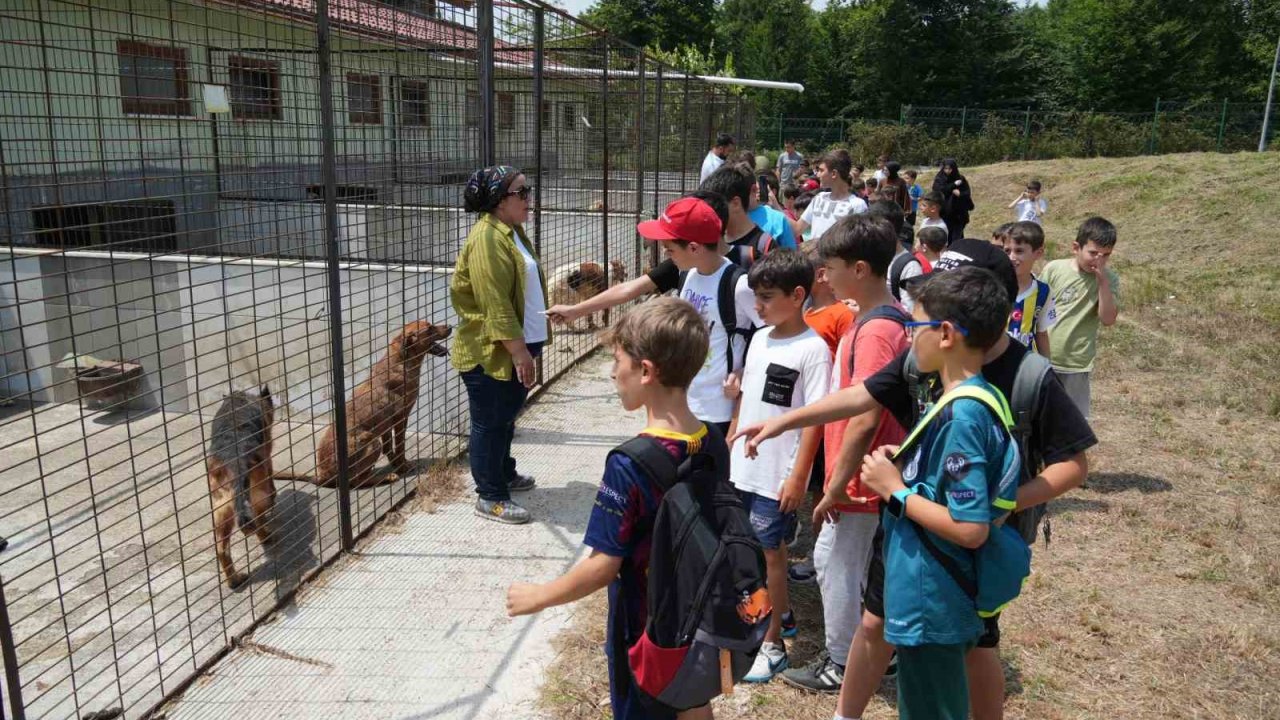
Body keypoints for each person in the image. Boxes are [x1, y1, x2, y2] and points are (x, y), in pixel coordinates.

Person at [732, 238, 1094, 720]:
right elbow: (864, 395)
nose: (910, 328)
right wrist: (785, 421)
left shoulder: (1025, 376)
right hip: (911, 533)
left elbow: (1072, 465)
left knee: (975, 643)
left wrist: (996, 503)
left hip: (964, 541)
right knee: (875, 623)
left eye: (924, 315)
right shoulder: (928, 361)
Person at [506, 297, 717, 720]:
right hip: (697, 612)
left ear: (646, 371)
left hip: (644, 626)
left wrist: (539, 596)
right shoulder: (713, 442)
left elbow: (603, 566)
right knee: (692, 698)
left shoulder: (628, 463)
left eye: (618, 360)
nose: (612, 372)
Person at [859, 267, 1022, 719]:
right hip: (938, 592)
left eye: (914, 327)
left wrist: (895, 491)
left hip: (934, 596)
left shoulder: (964, 414)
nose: (910, 339)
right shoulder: (976, 397)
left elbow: (970, 528)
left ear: (946, 333)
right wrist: (910, 462)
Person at [779, 215, 910, 695]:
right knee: (844, 563)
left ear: (858, 269)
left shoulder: (875, 331)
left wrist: (836, 486)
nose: (822, 276)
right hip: (861, 475)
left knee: (839, 566)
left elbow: (865, 414)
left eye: (828, 267)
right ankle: (872, 654)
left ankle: (843, 662)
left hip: (859, 478)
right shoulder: (875, 318)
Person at [546, 194, 761, 434]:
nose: (665, 254)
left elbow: (772, 334)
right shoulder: (686, 272)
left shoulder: (738, 284)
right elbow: (628, 289)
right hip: (681, 405)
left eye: (669, 250)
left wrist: (744, 372)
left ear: (693, 247)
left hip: (718, 409)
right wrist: (574, 311)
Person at [729, 250, 832, 684]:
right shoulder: (759, 338)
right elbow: (747, 397)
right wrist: (732, 434)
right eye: (756, 297)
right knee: (748, 552)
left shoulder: (813, 350)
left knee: (771, 555)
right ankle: (774, 617)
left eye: (767, 298)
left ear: (798, 295)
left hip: (777, 476)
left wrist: (797, 475)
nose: (758, 306)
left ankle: (773, 646)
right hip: (744, 469)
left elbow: (815, 421)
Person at [451, 166, 548, 524]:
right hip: (491, 352)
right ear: (497, 200)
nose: (528, 199)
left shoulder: (511, 231)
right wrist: (520, 351)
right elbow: (495, 303)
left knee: (505, 418)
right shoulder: (487, 239)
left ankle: (504, 472)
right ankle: (490, 495)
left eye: (528, 191)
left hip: (514, 347)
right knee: (490, 423)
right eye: (521, 193)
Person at [1040, 217, 1120, 420]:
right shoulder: (1055, 269)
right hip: (1044, 356)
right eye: (1093, 253)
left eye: (1106, 256)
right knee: (1042, 414)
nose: (1098, 261)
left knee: (1072, 420)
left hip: (1076, 361)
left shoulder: (1110, 279)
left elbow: (1108, 319)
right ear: (1076, 247)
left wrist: (1102, 282)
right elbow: (1037, 306)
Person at [702, 164, 783, 267]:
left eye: (716, 204)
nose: (711, 210)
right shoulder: (713, 242)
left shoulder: (764, 247)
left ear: (736, 203)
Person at [1003, 221, 1056, 357]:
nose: (1012, 257)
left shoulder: (1044, 292)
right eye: (1007, 251)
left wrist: (1047, 368)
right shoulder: (993, 286)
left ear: (1038, 253)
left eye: (1019, 251)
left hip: (1023, 367)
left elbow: (1041, 333)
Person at [795, 150, 868, 242]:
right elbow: (797, 229)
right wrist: (775, 208)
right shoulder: (819, 198)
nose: (817, 174)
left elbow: (859, 242)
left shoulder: (857, 205)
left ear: (834, 174)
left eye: (821, 170)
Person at [932, 158, 973, 245]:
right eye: (945, 169)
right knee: (945, 236)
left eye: (950, 169)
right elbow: (939, 190)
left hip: (959, 213)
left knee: (957, 237)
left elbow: (967, 193)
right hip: (944, 212)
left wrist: (960, 194)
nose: (947, 171)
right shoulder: (940, 178)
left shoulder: (960, 179)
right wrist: (953, 185)